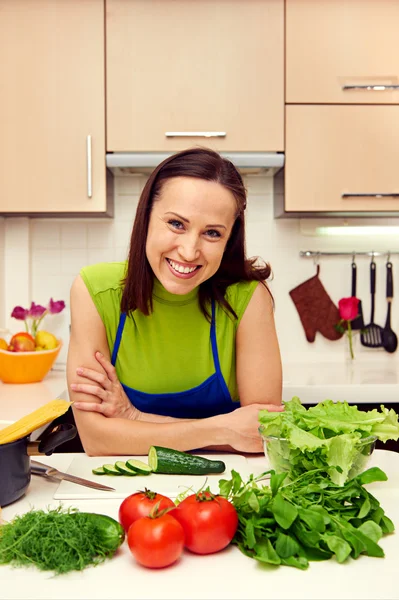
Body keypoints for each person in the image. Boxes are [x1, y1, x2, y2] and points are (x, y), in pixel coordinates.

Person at [67, 147, 283, 456]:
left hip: (227, 487)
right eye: (177, 224)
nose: (189, 251)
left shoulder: (247, 298)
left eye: (212, 233)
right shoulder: (95, 291)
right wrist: (223, 429)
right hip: (129, 488)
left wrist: (135, 420)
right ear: (146, 218)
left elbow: (261, 434)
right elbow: (97, 439)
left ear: (229, 239)